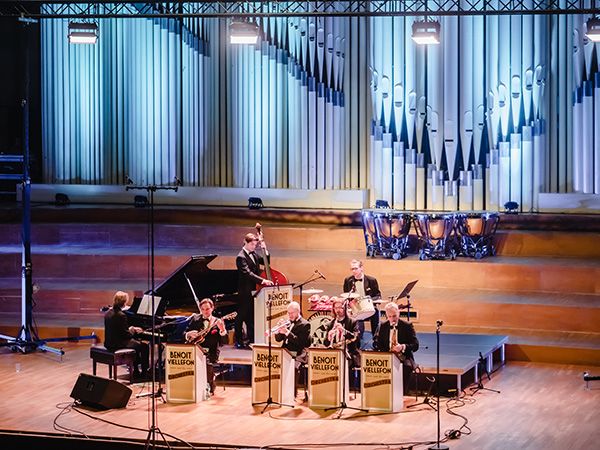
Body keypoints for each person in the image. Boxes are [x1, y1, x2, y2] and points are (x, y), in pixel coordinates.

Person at [235, 232, 274, 349]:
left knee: (251, 317)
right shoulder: (240, 257)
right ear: (245, 242)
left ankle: (251, 340)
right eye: (252, 244)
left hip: (254, 290)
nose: (254, 247)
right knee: (241, 317)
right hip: (245, 292)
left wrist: (264, 249)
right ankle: (238, 341)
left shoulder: (254, 254)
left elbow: (266, 261)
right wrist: (263, 281)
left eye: (255, 245)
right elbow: (248, 273)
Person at [184, 298, 228, 395]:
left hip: (210, 352)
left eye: (207, 309)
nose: (205, 312)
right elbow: (185, 334)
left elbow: (224, 342)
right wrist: (188, 334)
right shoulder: (195, 319)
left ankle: (209, 386)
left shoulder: (217, 322)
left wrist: (222, 330)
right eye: (203, 309)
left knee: (207, 364)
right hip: (196, 350)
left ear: (212, 308)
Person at [104, 291, 150, 379]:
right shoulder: (121, 315)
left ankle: (136, 370)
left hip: (109, 343)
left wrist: (130, 329)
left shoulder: (108, 313)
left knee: (136, 343)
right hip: (119, 344)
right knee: (144, 346)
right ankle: (144, 372)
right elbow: (126, 335)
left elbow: (118, 330)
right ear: (124, 302)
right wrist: (132, 329)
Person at [373, 302, 419, 389]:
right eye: (389, 316)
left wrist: (402, 347)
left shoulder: (407, 326)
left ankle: (402, 392)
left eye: (394, 316)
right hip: (387, 357)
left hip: (404, 356)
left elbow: (415, 345)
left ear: (399, 313)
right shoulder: (382, 326)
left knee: (406, 368)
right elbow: (378, 344)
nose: (392, 319)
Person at [342, 259, 381, 349]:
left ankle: (376, 341)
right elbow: (346, 295)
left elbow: (378, 295)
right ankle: (355, 342)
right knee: (353, 320)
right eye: (352, 269)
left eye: (356, 268)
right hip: (355, 309)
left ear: (361, 268)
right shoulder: (348, 280)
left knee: (375, 314)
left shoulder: (371, 280)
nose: (354, 271)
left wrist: (369, 300)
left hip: (368, 307)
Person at [323, 297, 361, 370]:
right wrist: (329, 337)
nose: (338, 310)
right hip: (334, 357)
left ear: (345, 308)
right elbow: (325, 343)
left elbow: (356, 339)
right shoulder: (331, 324)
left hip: (349, 356)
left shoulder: (353, 322)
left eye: (340, 308)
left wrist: (343, 330)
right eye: (336, 308)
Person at [274, 301, 311, 369]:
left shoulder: (305, 324)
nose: (290, 315)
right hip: (284, 354)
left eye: (292, 313)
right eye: (288, 313)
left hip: (297, 355)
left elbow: (300, 343)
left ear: (298, 311)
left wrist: (287, 332)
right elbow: (278, 339)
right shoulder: (288, 322)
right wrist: (278, 330)